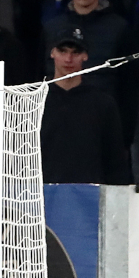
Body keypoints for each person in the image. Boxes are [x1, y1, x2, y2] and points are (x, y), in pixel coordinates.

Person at [41, 0, 137, 127]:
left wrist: (124, 140)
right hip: (55, 123)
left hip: (101, 125)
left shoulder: (119, 29)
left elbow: (128, 89)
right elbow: (39, 79)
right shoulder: (51, 29)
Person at [40, 28, 129, 185]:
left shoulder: (103, 104)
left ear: (85, 56)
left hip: (89, 196)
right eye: (63, 51)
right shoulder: (33, 101)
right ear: (52, 52)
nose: (68, 59)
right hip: (40, 195)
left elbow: (115, 162)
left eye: (75, 52)